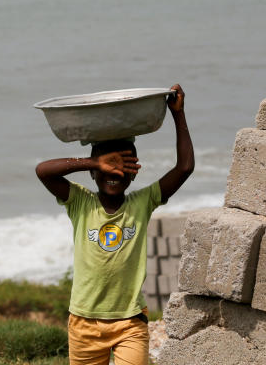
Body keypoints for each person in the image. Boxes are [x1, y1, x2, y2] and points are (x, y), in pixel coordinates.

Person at [35, 84, 194, 365]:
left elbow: (184, 168)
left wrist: (178, 116)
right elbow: (43, 171)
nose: (114, 173)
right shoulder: (80, 203)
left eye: (123, 167)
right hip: (84, 323)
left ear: (134, 174)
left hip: (129, 323)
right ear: (94, 174)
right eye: (108, 166)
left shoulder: (141, 203)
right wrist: (93, 162)